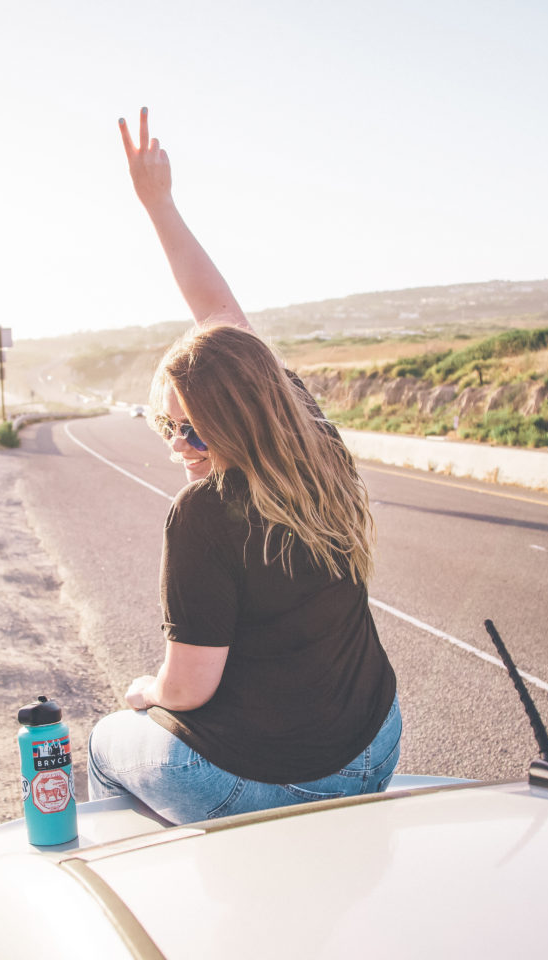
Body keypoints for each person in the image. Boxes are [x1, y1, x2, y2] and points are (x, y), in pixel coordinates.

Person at [86, 108, 400, 826]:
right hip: (375, 748)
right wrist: (159, 206)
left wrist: (144, 693)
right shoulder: (315, 447)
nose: (177, 447)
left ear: (235, 421)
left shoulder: (203, 515)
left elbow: (190, 689)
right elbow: (223, 317)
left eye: (195, 432)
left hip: (258, 788)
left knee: (106, 744)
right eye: (169, 424)